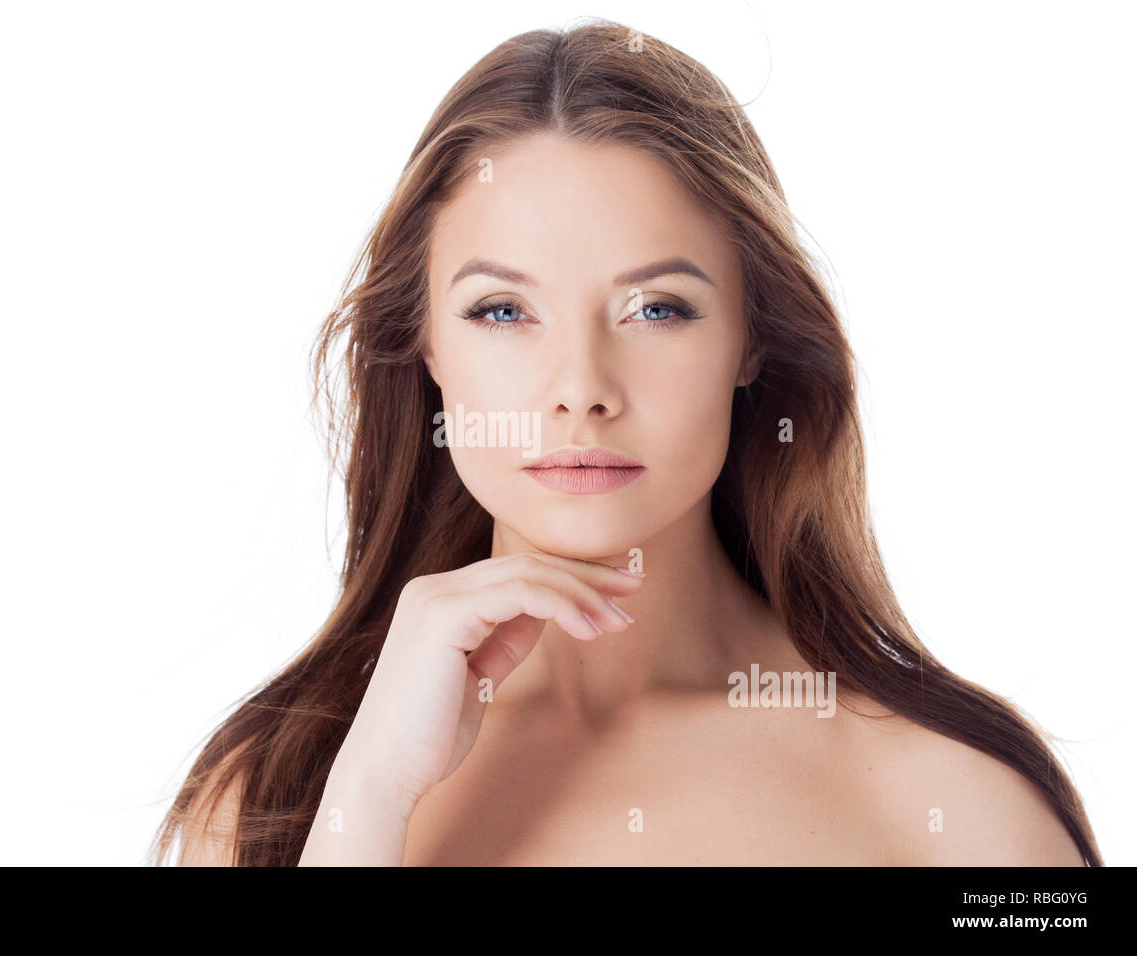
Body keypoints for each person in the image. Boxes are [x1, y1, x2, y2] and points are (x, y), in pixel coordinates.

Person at [149, 19, 1102, 866]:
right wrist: (371, 799)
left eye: (656, 308)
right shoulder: (278, 798)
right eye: (503, 309)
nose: (580, 392)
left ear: (752, 339)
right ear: (427, 346)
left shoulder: (962, 806)